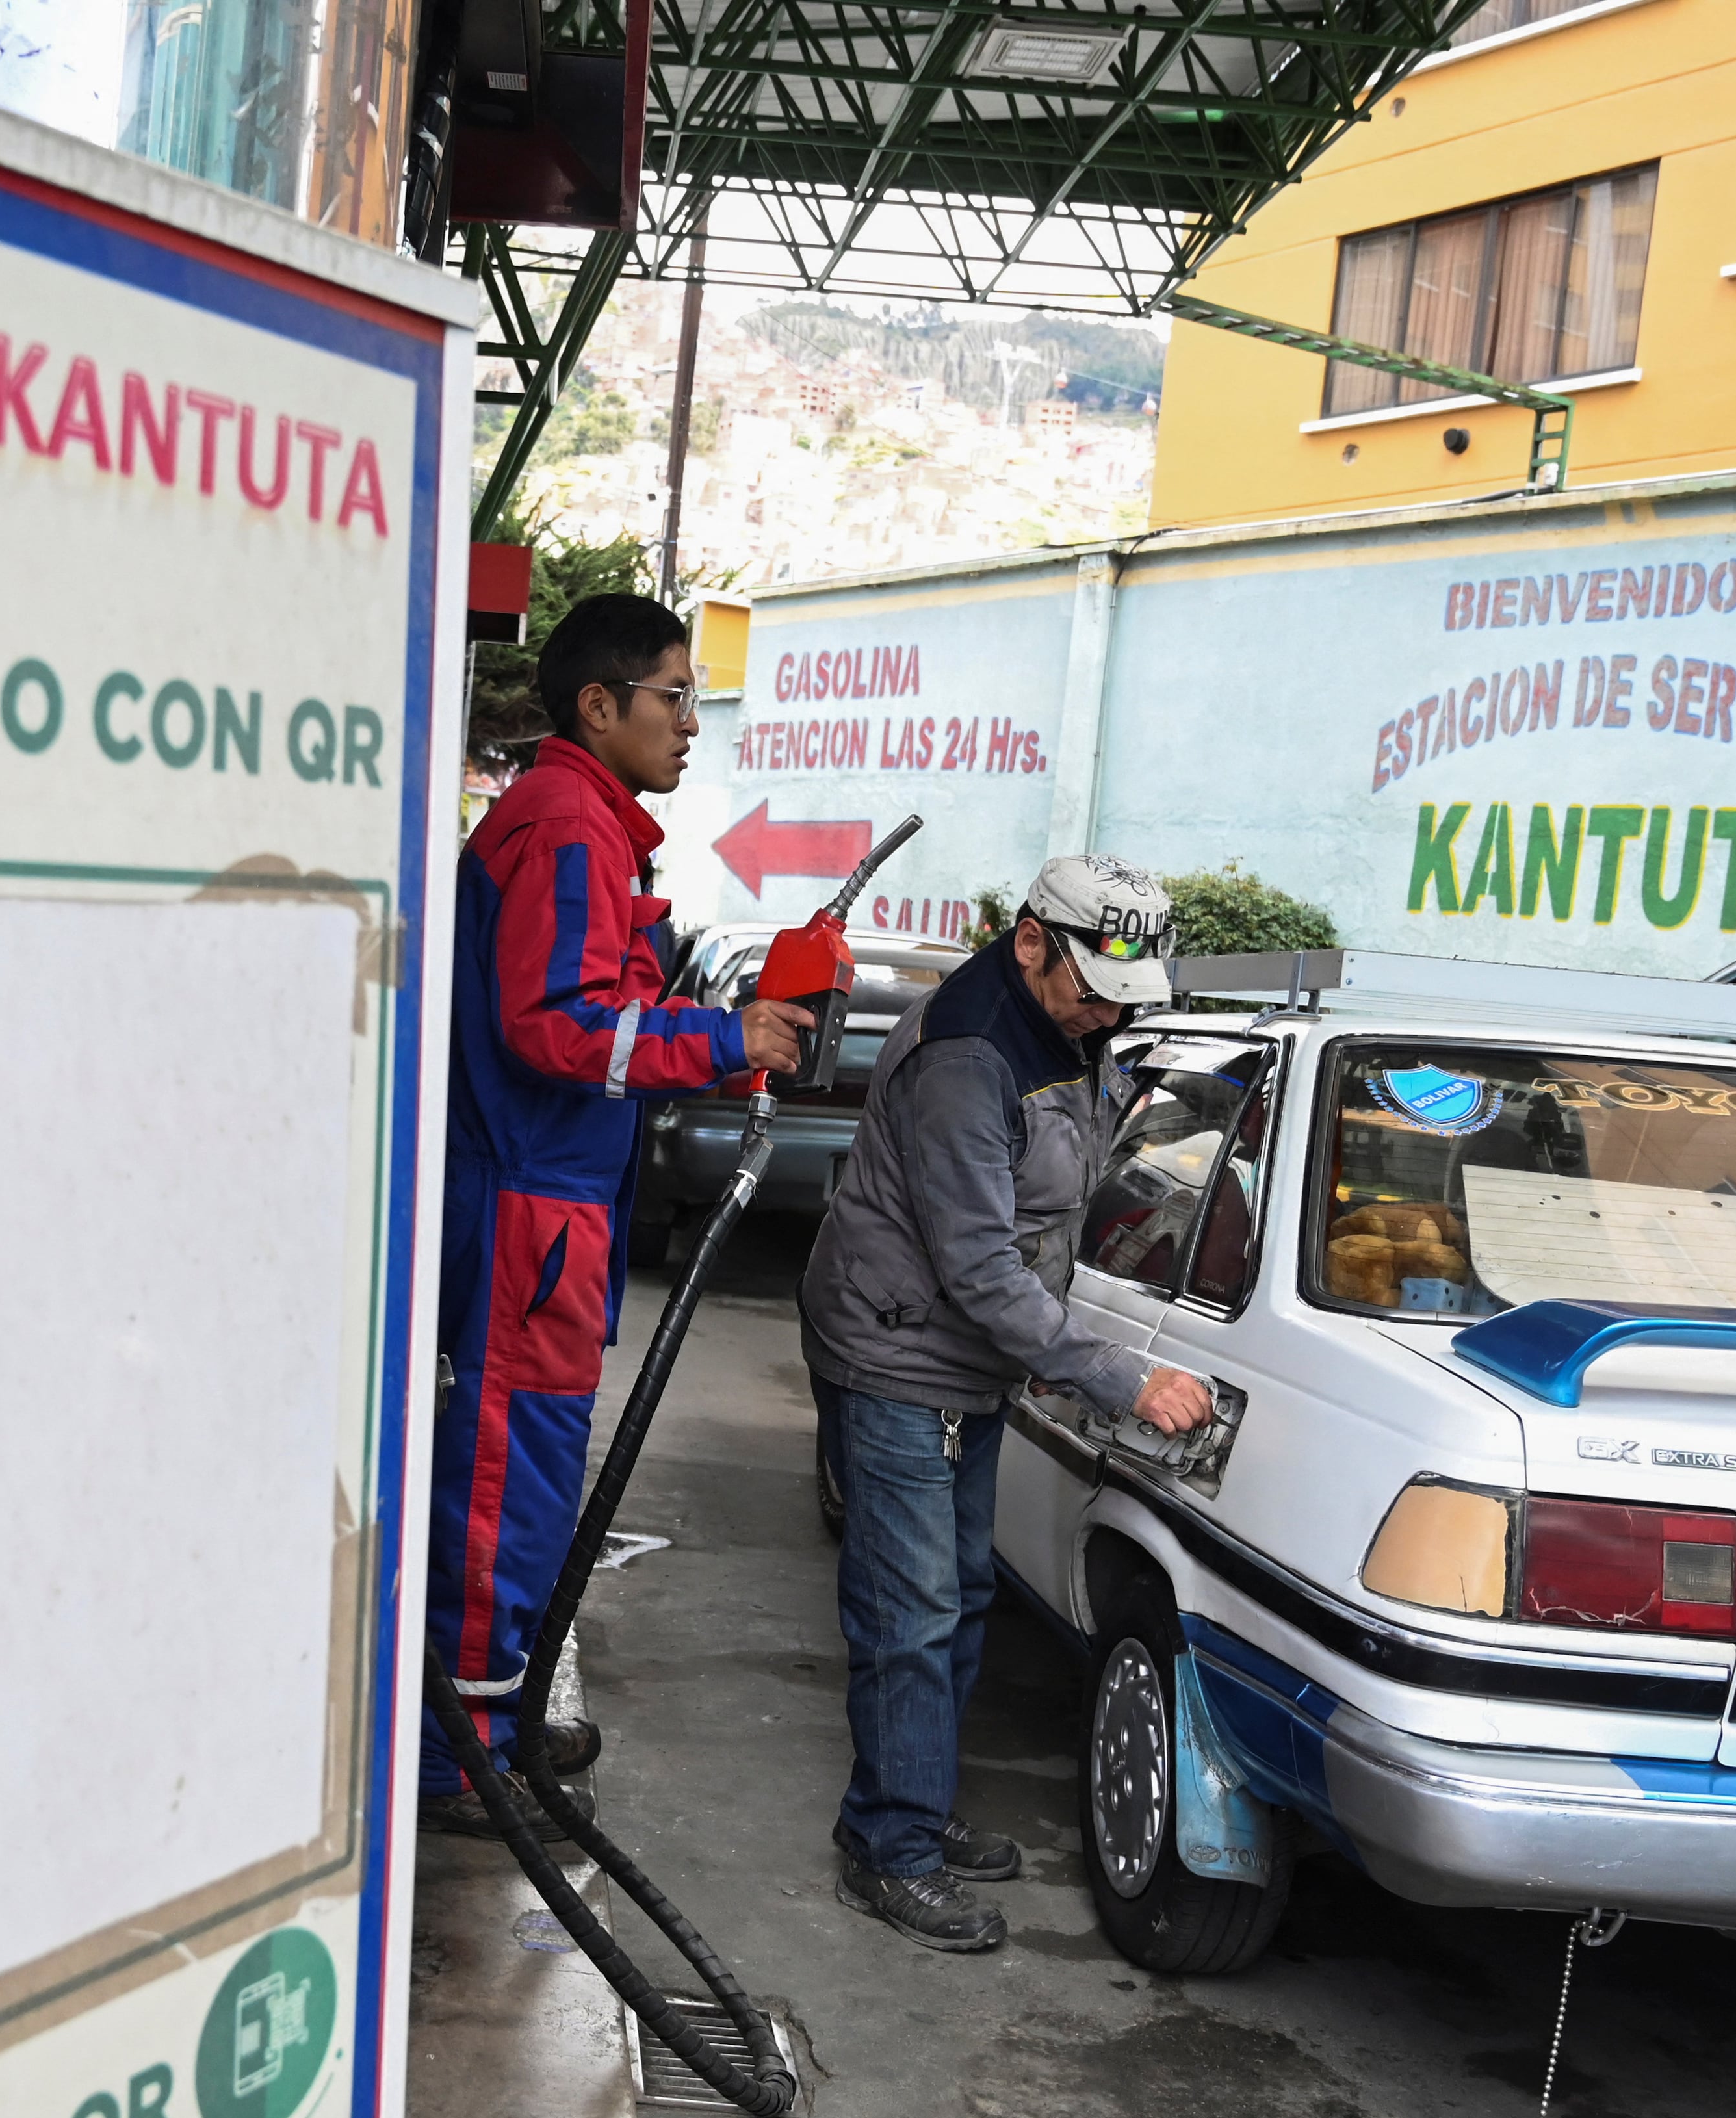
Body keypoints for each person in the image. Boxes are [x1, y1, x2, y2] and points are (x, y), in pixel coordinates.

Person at [421, 594, 814, 1839]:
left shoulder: (586, 827)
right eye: (675, 697)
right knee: (505, 1486)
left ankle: (498, 1713)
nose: (692, 723)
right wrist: (725, 1037)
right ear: (600, 705)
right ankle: (462, 1759)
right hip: (527, 1211)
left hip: (554, 1209)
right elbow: (555, 1025)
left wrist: (729, 1028)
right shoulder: (565, 827)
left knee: (527, 1483)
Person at [797, 855, 1215, 1948]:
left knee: (961, 1595)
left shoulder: (1067, 1026)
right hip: (899, 1351)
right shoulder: (970, 1057)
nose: (1110, 1015)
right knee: (912, 1612)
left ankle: (912, 1799)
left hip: (964, 1358)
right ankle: (889, 1850)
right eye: (1095, 991)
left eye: (1127, 997)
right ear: (1031, 942)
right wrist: (1122, 1376)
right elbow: (981, 1268)